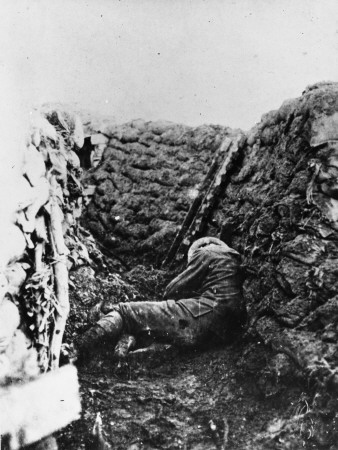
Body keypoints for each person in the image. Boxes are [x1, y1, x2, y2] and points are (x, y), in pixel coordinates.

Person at [75, 237, 247, 361]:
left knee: (127, 312)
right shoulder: (234, 260)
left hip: (204, 312)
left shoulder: (207, 252)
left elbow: (173, 289)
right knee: (157, 329)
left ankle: (78, 346)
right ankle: (123, 349)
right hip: (223, 331)